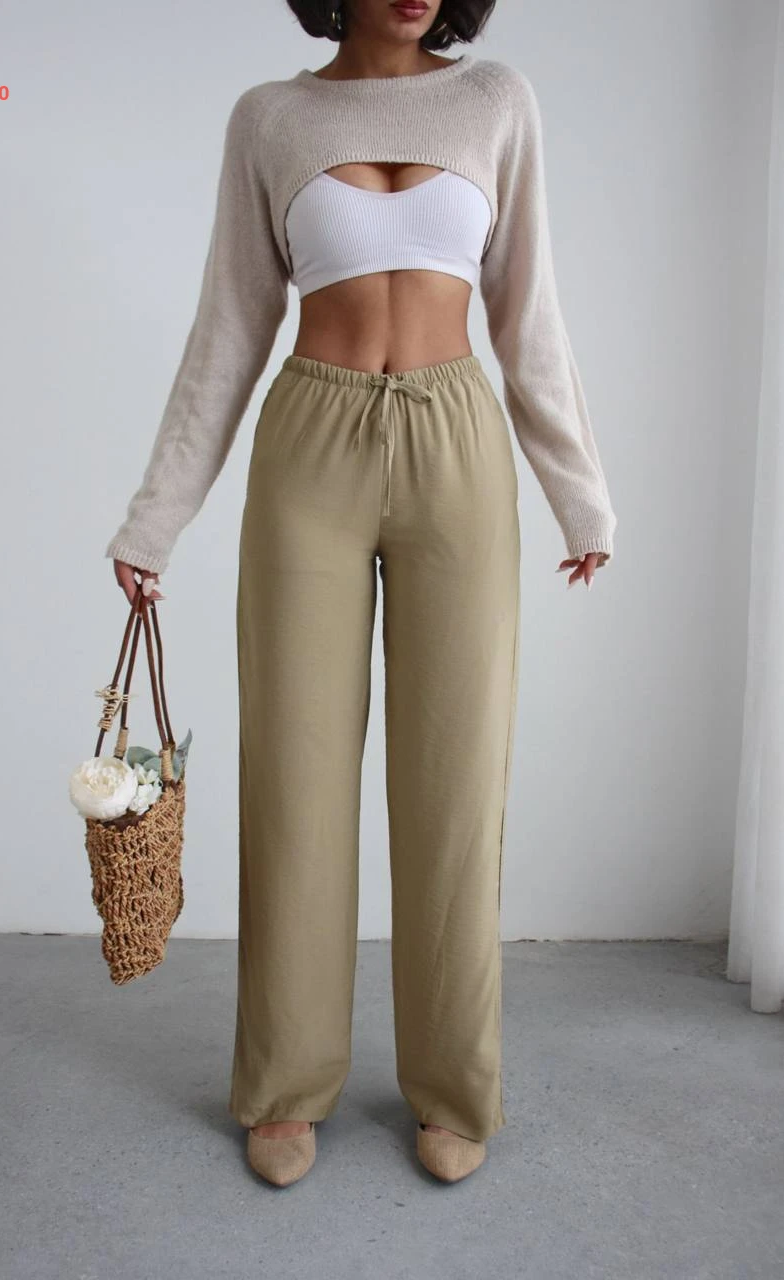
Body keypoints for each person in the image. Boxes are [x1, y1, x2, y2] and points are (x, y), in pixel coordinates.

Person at [104, 0, 618, 1188]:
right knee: (295, 775)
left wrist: (579, 492)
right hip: (312, 445)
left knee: (455, 778)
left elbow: (525, 308)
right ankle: (286, 1084)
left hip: (455, 440)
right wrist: (155, 515)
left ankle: (453, 1085)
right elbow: (231, 322)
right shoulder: (271, 117)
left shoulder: (495, 101)